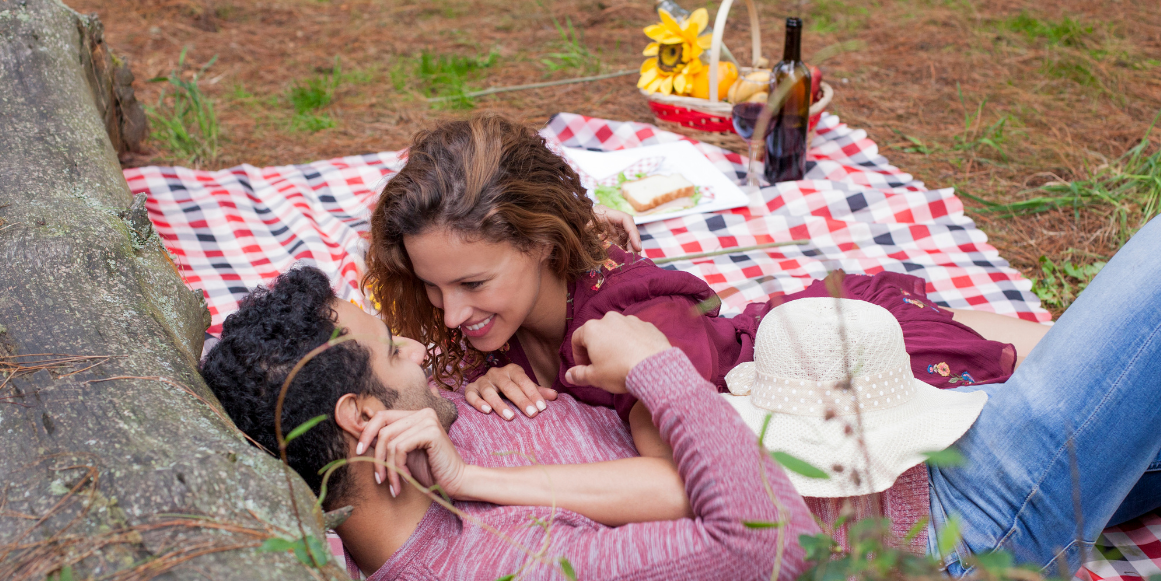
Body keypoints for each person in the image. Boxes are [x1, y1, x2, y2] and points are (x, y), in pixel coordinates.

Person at [200, 266, 817, 581]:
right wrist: (658, 368)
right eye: (392, 350)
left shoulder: (424, 437)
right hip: (889, 528)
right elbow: (773, 542)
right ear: (363, 417)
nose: (418, 349)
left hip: (811, 415)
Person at [363, 114, 1052, 436]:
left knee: (1080, 366)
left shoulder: (643, 326)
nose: (448, 316)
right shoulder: (490, 322)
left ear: (544, 243)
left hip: (839, 359)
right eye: (432, 288)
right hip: (786, 344)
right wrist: (480, 374)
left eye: (472, 286)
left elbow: (699, 468)